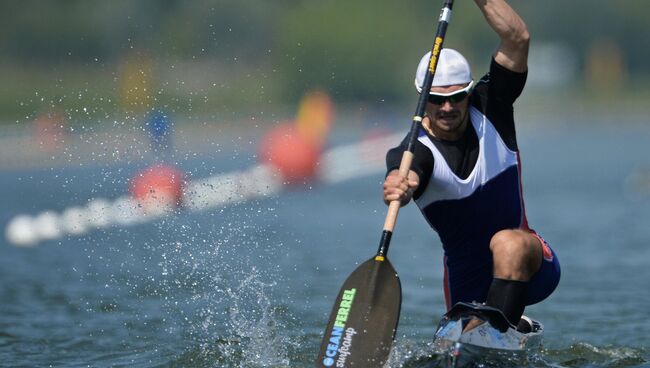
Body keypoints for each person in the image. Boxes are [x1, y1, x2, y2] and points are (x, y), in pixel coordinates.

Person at [383, 0, 560, 331]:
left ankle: (496, 330)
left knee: (509, 243)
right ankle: (503, 325)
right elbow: (404, 172)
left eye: (457, 96)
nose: (447, 107)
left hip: (530, 263)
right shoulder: (413, 151)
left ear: (469, 92)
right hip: (467, 285)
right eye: (436, 100)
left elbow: (518, 38)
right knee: (462, 340)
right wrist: (399, 183)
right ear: (422, 97)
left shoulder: (492, 107)